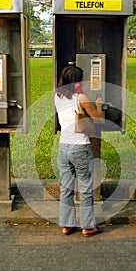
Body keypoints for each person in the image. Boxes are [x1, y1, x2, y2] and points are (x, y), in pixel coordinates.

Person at [54, 65, 104, 237]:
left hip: (63, 146)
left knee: (66, 188)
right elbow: (97, 117)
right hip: (80, 146)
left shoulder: (57, 95)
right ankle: (88, 226)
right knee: (84, 187)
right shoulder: (81, 97)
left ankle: (66, 225)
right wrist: (98, 105)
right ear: (77, 81)